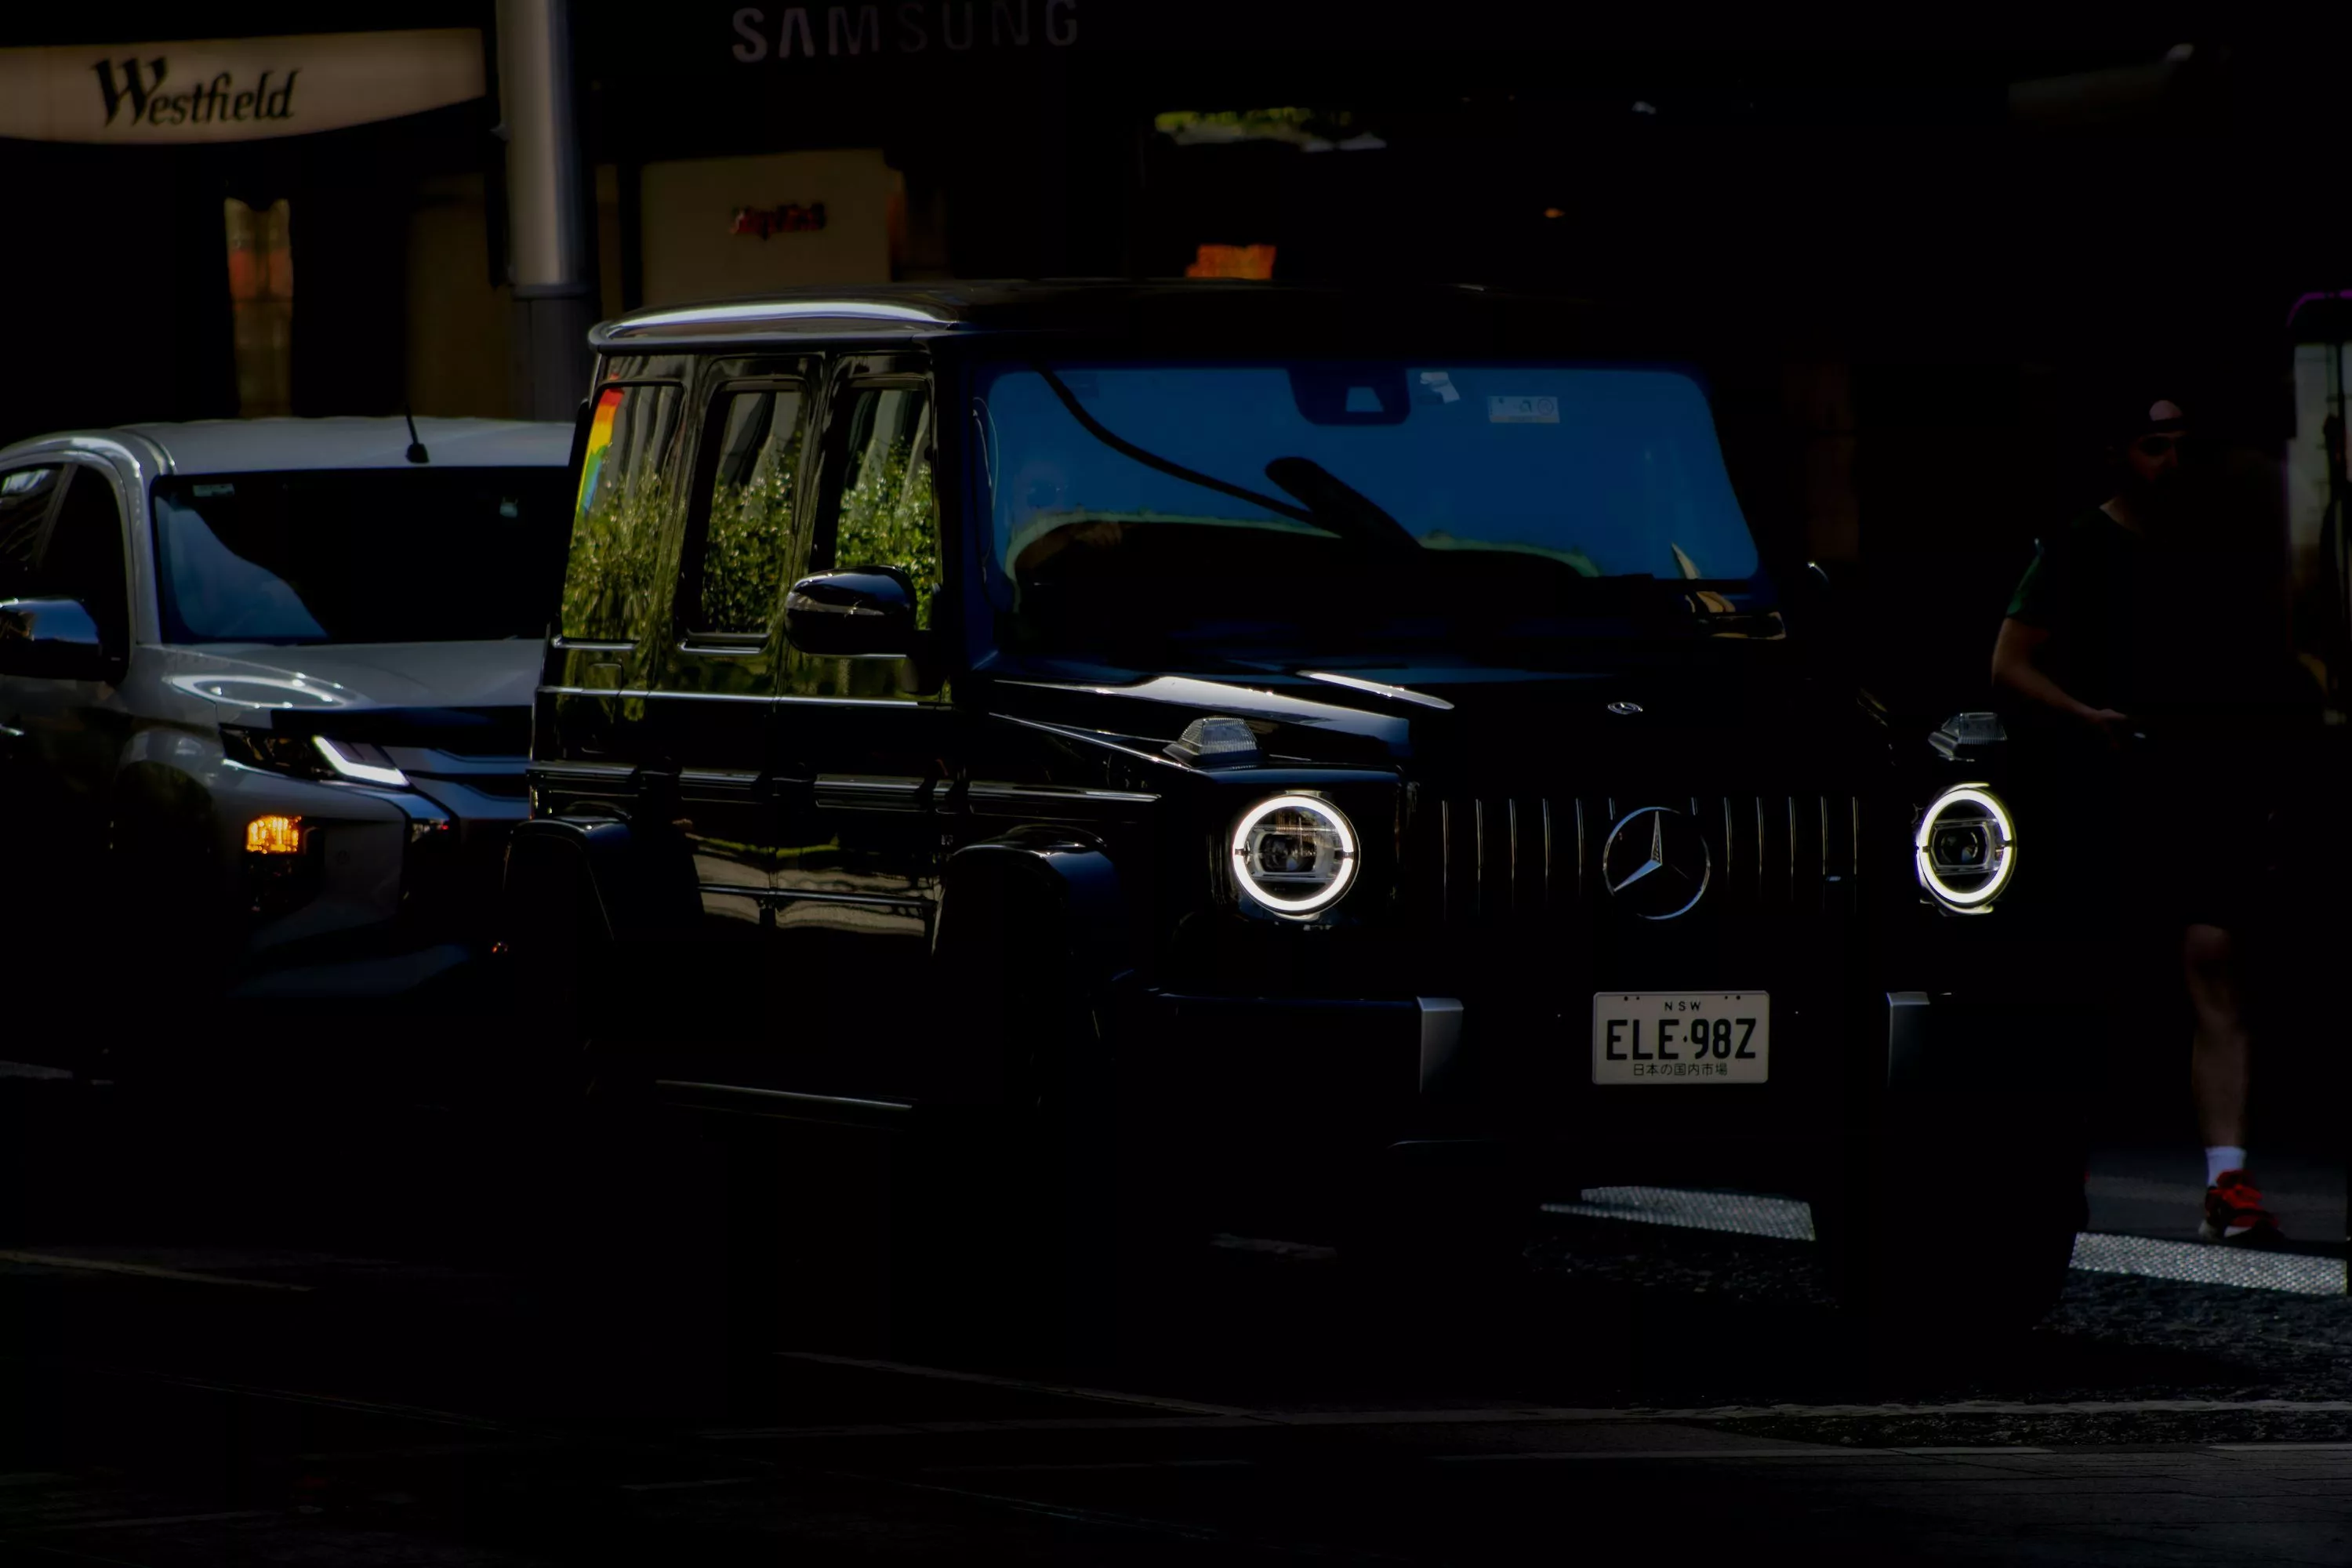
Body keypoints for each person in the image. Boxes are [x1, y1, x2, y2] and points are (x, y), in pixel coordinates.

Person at [1991, 394, 2301, 1247]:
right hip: (2108, 787)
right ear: (2119, 454)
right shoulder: (2076, 546)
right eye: (2153, 447)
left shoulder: (2214, 547)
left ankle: (2226, 1179)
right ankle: (2054, 1167)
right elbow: (2008, 663)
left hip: (2203, 782)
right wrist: (2084, 715)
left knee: (2216, 956)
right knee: (2093, 978)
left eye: (2180, 447)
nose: (2170, 463)